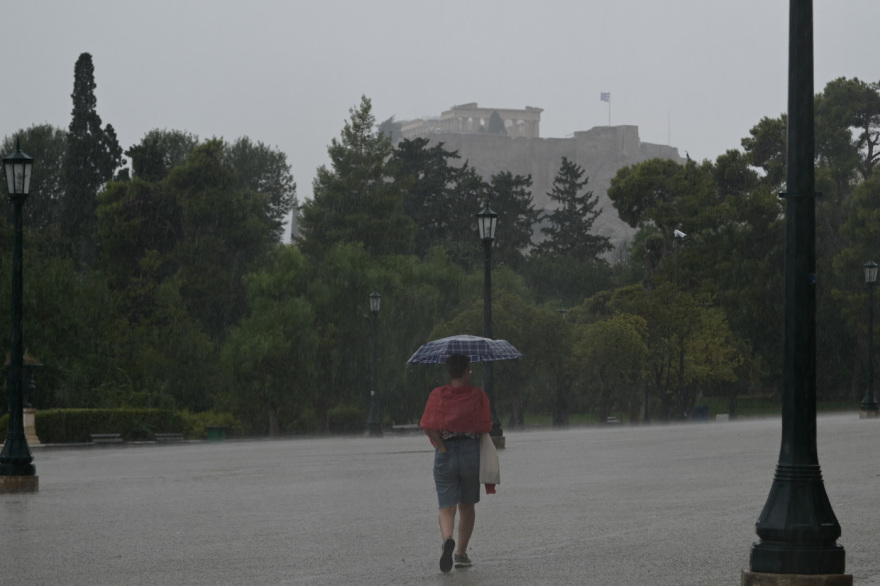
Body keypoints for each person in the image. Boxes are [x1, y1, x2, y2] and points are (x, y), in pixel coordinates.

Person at [420, 354, 492, 573]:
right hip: (470, 453)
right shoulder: (477, 395)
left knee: (446, 506)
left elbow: (427, 423)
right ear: (465, 372)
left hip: (445, 453)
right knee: (467, 505)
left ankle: (447, 539)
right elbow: (486, 425)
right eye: (469, 370)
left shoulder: (437, 395)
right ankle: (460, 553)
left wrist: (441, 446)